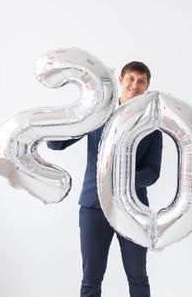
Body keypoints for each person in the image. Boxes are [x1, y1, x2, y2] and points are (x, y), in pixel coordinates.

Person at [47, 61, 162, 297]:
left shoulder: (153, 127)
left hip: (134, 210)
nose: (135, 85)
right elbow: (56, 144)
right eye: (130, 79)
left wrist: (122, 181)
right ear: (121, 80)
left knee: (138, 275)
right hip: (93, 206)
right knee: (91, 279)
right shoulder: (98, 114)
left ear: (147, 85)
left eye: (141, 81)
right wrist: (68, 119)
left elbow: (152, 172)